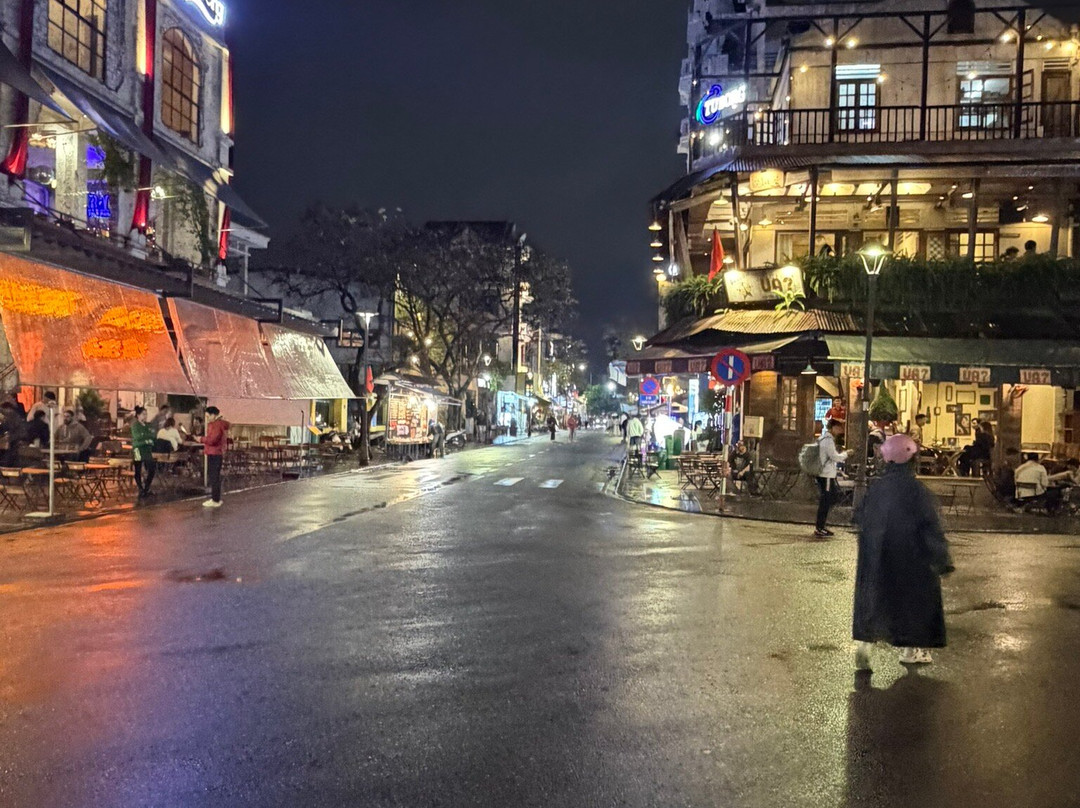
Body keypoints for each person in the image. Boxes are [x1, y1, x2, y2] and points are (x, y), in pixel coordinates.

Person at [853, 434, 954, 670]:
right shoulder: (917, 491)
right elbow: (930, 527)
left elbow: (860, 517)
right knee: (915, 605)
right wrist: (942, 559)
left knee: (875, 602)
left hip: (876, 557)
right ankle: (912, 650)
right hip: (911, 558)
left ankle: (865, 647)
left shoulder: (877, 489)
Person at [815, 419, 850, 539]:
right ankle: (820, 527)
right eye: (839, 428)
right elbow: (835, 457)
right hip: (826, 475)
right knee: (826, 500)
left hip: (823, 473)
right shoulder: (828, 441)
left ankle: (821, 526)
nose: (840, 430)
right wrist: (847, 454)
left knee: (830, 497)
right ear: (833, 428)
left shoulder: (822, 439)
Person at [199, 406, 229, 507]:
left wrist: (201, 439)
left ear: (213, 415)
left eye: (208, 416)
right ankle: (216, 498)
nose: (207, 419)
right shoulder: (220, 424)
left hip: (214, 452)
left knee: (214, 477)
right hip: (216, 452)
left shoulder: (216, 425)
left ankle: (215, 500)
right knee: (214, 476)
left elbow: (212, 440)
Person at [130, 406, 156, 498]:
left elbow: (152, 435)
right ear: (138, 415)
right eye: (143, 414)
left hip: (147, 450)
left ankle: (147, 487)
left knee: (152, 468)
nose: (145, 416)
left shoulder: (148, 425)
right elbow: (137, 437)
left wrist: (146, 437)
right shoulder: (135, 425)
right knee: (138, 468)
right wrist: (146, 439)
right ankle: (140, 488)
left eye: (146, 414)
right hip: (138, 449)